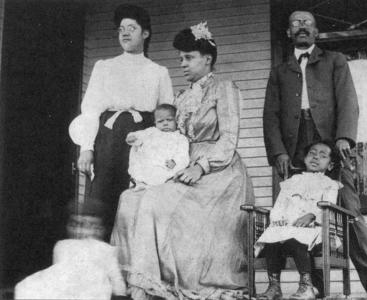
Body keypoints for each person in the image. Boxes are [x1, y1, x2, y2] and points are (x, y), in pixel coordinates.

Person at [111, 22, 255, 300]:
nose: (182, 64)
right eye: (180, 59)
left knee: (155, 201)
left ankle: (163, 283)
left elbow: (229, 138)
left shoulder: (225, 88)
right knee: (130, 199)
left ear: (208, 59)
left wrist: (200, 166)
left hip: (218, 172)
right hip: (181, 164)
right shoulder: (180, 96)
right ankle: (137, 285)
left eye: (188, 57)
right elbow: (169, 138)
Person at [263, 11, 367, 298]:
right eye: (295, 23)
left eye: (307, 22)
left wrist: (344, 137)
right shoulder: (279, 71)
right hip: (295, 148)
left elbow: (348, 100)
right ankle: (313, 286)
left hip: (332, 147)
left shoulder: (335, 61)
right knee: (298, 211)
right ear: (288, 33)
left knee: (347, 208)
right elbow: (270, 116)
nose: (301, 26)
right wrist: (278, 153)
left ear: (317, 32)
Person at [68, 4, 174, 239]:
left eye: (132, 28)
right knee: (102, 199)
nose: (125, 33)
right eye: (121, 29)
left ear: (145, 33)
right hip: (108, 137)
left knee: (138, 201)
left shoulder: (159, 72)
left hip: (143, 138)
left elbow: (166, 116)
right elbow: (91, 110)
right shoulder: (105, 67)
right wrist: (86, 148)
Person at [255, 140, 342, 300]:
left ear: (330, 165)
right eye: (312, 153)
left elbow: (329, 206)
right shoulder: (292, 182)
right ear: (305, 158)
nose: (316, 158)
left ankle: (306, 286)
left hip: (314, 229)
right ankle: (274, 286)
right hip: (288, 227)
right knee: (272, 240)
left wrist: (312, 215)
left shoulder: (330, 184)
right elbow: (279, 205)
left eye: (322, 156)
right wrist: (278, 219)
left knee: (297, 239)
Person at [14, 198, 126, 300]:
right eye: (77, 225)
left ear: (100, 230)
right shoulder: (62, 246)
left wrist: (120, 293)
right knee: (25, 287)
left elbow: (116, 280)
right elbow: (56, 275)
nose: (83, 231)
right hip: (66, 292)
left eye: (92, 226)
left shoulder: (106, 250)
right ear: (69, 227)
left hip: (94, 293)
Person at [127, 103, 190, 187]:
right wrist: (133, 137)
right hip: (148, 163)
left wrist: (175, 161)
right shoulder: (152, 131)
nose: (165, 123)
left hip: (165, 166)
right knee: (140, 166)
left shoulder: (180, 138)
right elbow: (140, 135)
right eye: (160, 121)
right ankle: (139, 181)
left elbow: (183, 154)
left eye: (169, 120)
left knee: (161, 176)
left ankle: (151, 184)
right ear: (155, 123)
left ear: (176, 121)